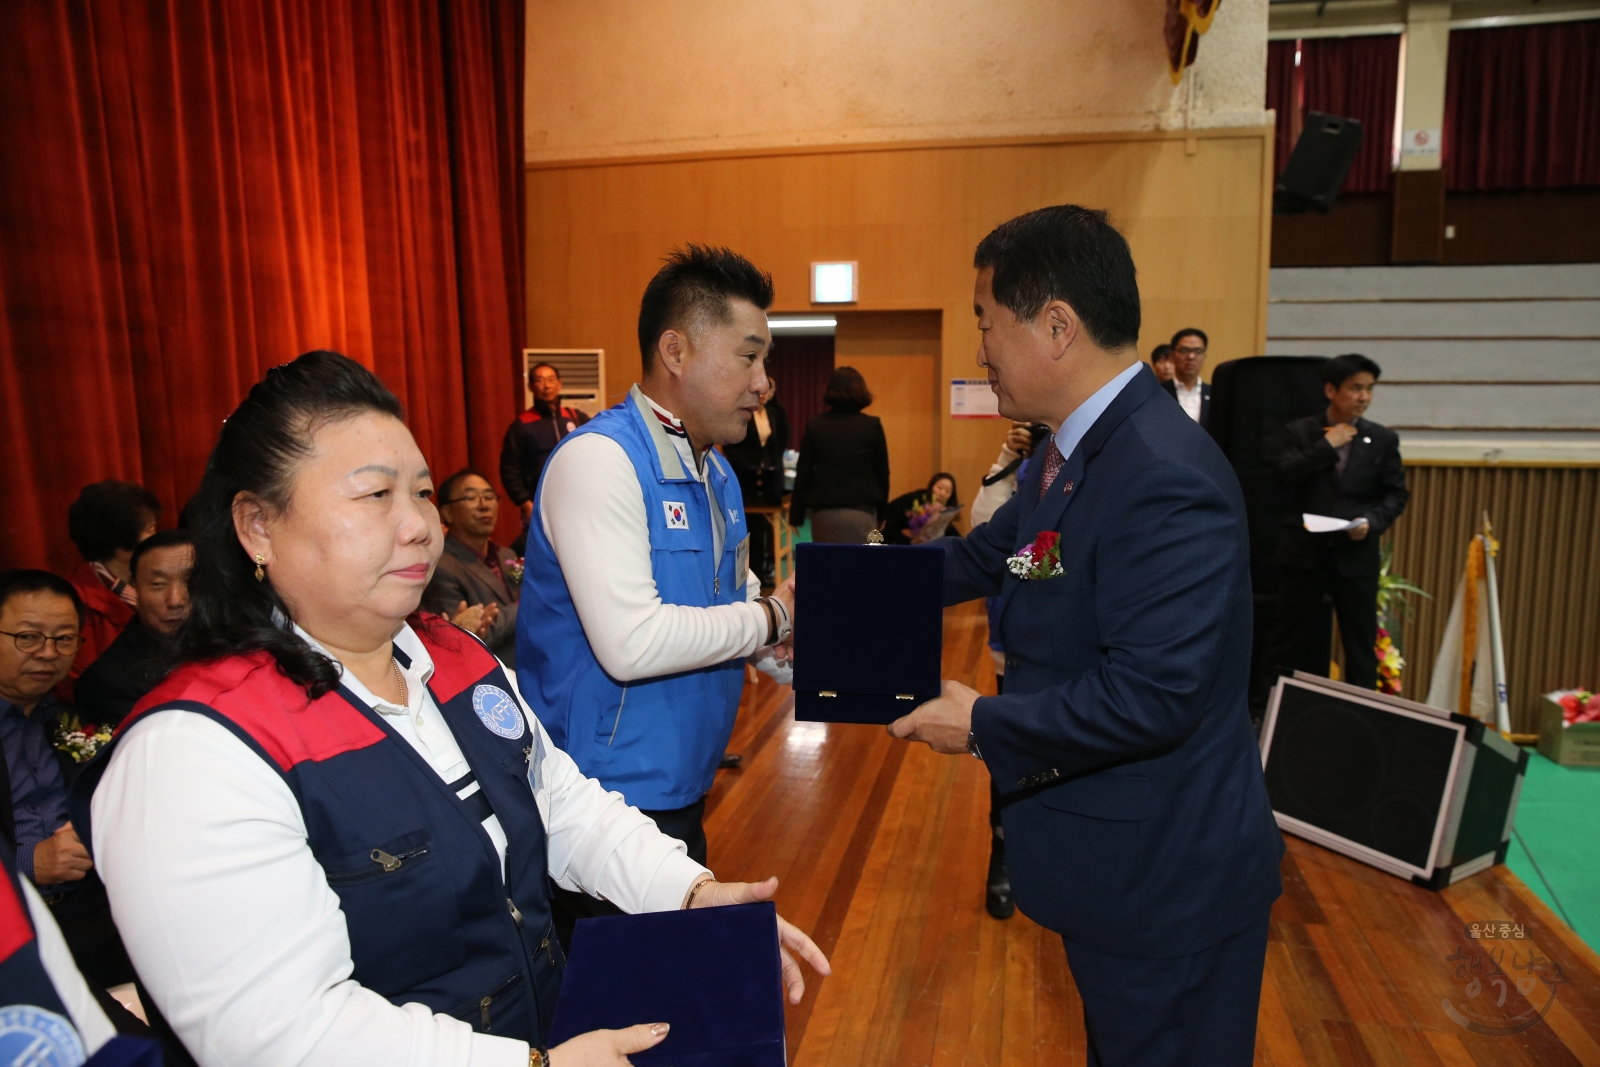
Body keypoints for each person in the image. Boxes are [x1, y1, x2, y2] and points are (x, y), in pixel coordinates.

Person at [74, 350, 826, 1067]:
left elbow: (561, 804)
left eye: (423, 492)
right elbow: (283, 1033)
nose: (421, 527)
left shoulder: (454, 658)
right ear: (257, 526)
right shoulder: (193, 752)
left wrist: (688, 892)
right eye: (375, 495)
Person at [888, 205, 1283, 1067]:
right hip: (1118, 870)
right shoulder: (1069, 458)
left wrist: (981, 725)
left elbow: (1153, 695)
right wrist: (829, 592)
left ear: (1056, 327)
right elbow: (988, 560)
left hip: (1167, 883)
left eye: (987, 321)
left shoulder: (1161, 475)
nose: (980, 347)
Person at [518, 246, 797, 946]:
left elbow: (733, 607)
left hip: (680, 787)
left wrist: (791, 649)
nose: (765, 383)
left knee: (667, 1018)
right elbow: (633, 642)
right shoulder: (600, 460)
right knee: (624, 1023)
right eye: (749, 357)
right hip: (603, 807)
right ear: (675, 349)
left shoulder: (719, 475)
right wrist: (776, 614)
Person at [0, 570, 135, 992]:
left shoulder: (68, 721)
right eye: (28, 637)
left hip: (92, 913)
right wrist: (28, 862)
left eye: (63, 639)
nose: (47, 653)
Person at [1267, 353, 1409, 692]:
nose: (1363, 397)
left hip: (1354, 555)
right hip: (1305, 554)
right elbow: (1283, 476)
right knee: (1287, 639)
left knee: (1360, 644)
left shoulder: (1383, 439)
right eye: (1355, 388)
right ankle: (1265, 708)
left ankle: (1365, 715)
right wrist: (1326, 446)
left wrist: (1371, 522)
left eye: (1369, 389)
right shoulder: (1300, 431)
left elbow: (1395, 495)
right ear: (1331, 390)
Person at [75, 529, 195, 727]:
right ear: (134, 588)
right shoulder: (108, 682)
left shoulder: (238, 643)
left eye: (191, 582)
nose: (175, 600)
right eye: (158, 584)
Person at [62, 481, 161, 695]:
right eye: (150, 530)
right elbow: (79, 684)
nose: (157, 539)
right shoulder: (76, 600)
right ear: (120, 543)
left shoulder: (148, 583)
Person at [422, 469, 520, 666]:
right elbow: (467, 635)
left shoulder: (507, 554)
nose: (484, 505)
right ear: (446, 512)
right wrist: (528, 604)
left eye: (489, 496)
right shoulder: (440, 566)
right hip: (489, 670)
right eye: (471, 497)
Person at [789, 367, 890, 544]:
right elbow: (882, 474)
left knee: (827, 566)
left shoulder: (815, 425)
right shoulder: (872, 425)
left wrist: (796, 514)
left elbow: (804, 472)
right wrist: (882, 513)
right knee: (863, 566)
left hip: (825, 513)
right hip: (863, 511)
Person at [501, 363, 590, 527]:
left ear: (559, 384)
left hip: (579, 501)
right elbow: (510, 469)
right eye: (540, 381)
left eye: (551, 380)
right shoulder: (522, 425)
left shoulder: (577, 418)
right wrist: (525, 502)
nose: (547, 386)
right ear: (531, 386)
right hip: (539, 504)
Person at [722, 376, 790, 586]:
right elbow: (732, 445)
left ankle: (767, 568)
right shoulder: (742, 412)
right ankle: (752, 574)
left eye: (768, 391)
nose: (764, 395)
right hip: (746, 477)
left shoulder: (775, 413)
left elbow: (780, 441)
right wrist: (752, 466)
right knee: (752, 527)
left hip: (770, 477)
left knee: (770, 528)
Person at [883, 473, 961, 546]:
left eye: (948, 491)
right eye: (939, 488)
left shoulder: (943, 511)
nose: (942, 494)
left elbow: (951, 533)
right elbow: (890, 527)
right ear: (931, 487)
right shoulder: (912, 500)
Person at [1159, 328, 1211, 428]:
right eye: (1184, 350)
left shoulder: (1215, 394)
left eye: (1198, 351)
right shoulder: (1158, 392)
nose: (1191, 356)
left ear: (1204, 356)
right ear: (1172, 356)